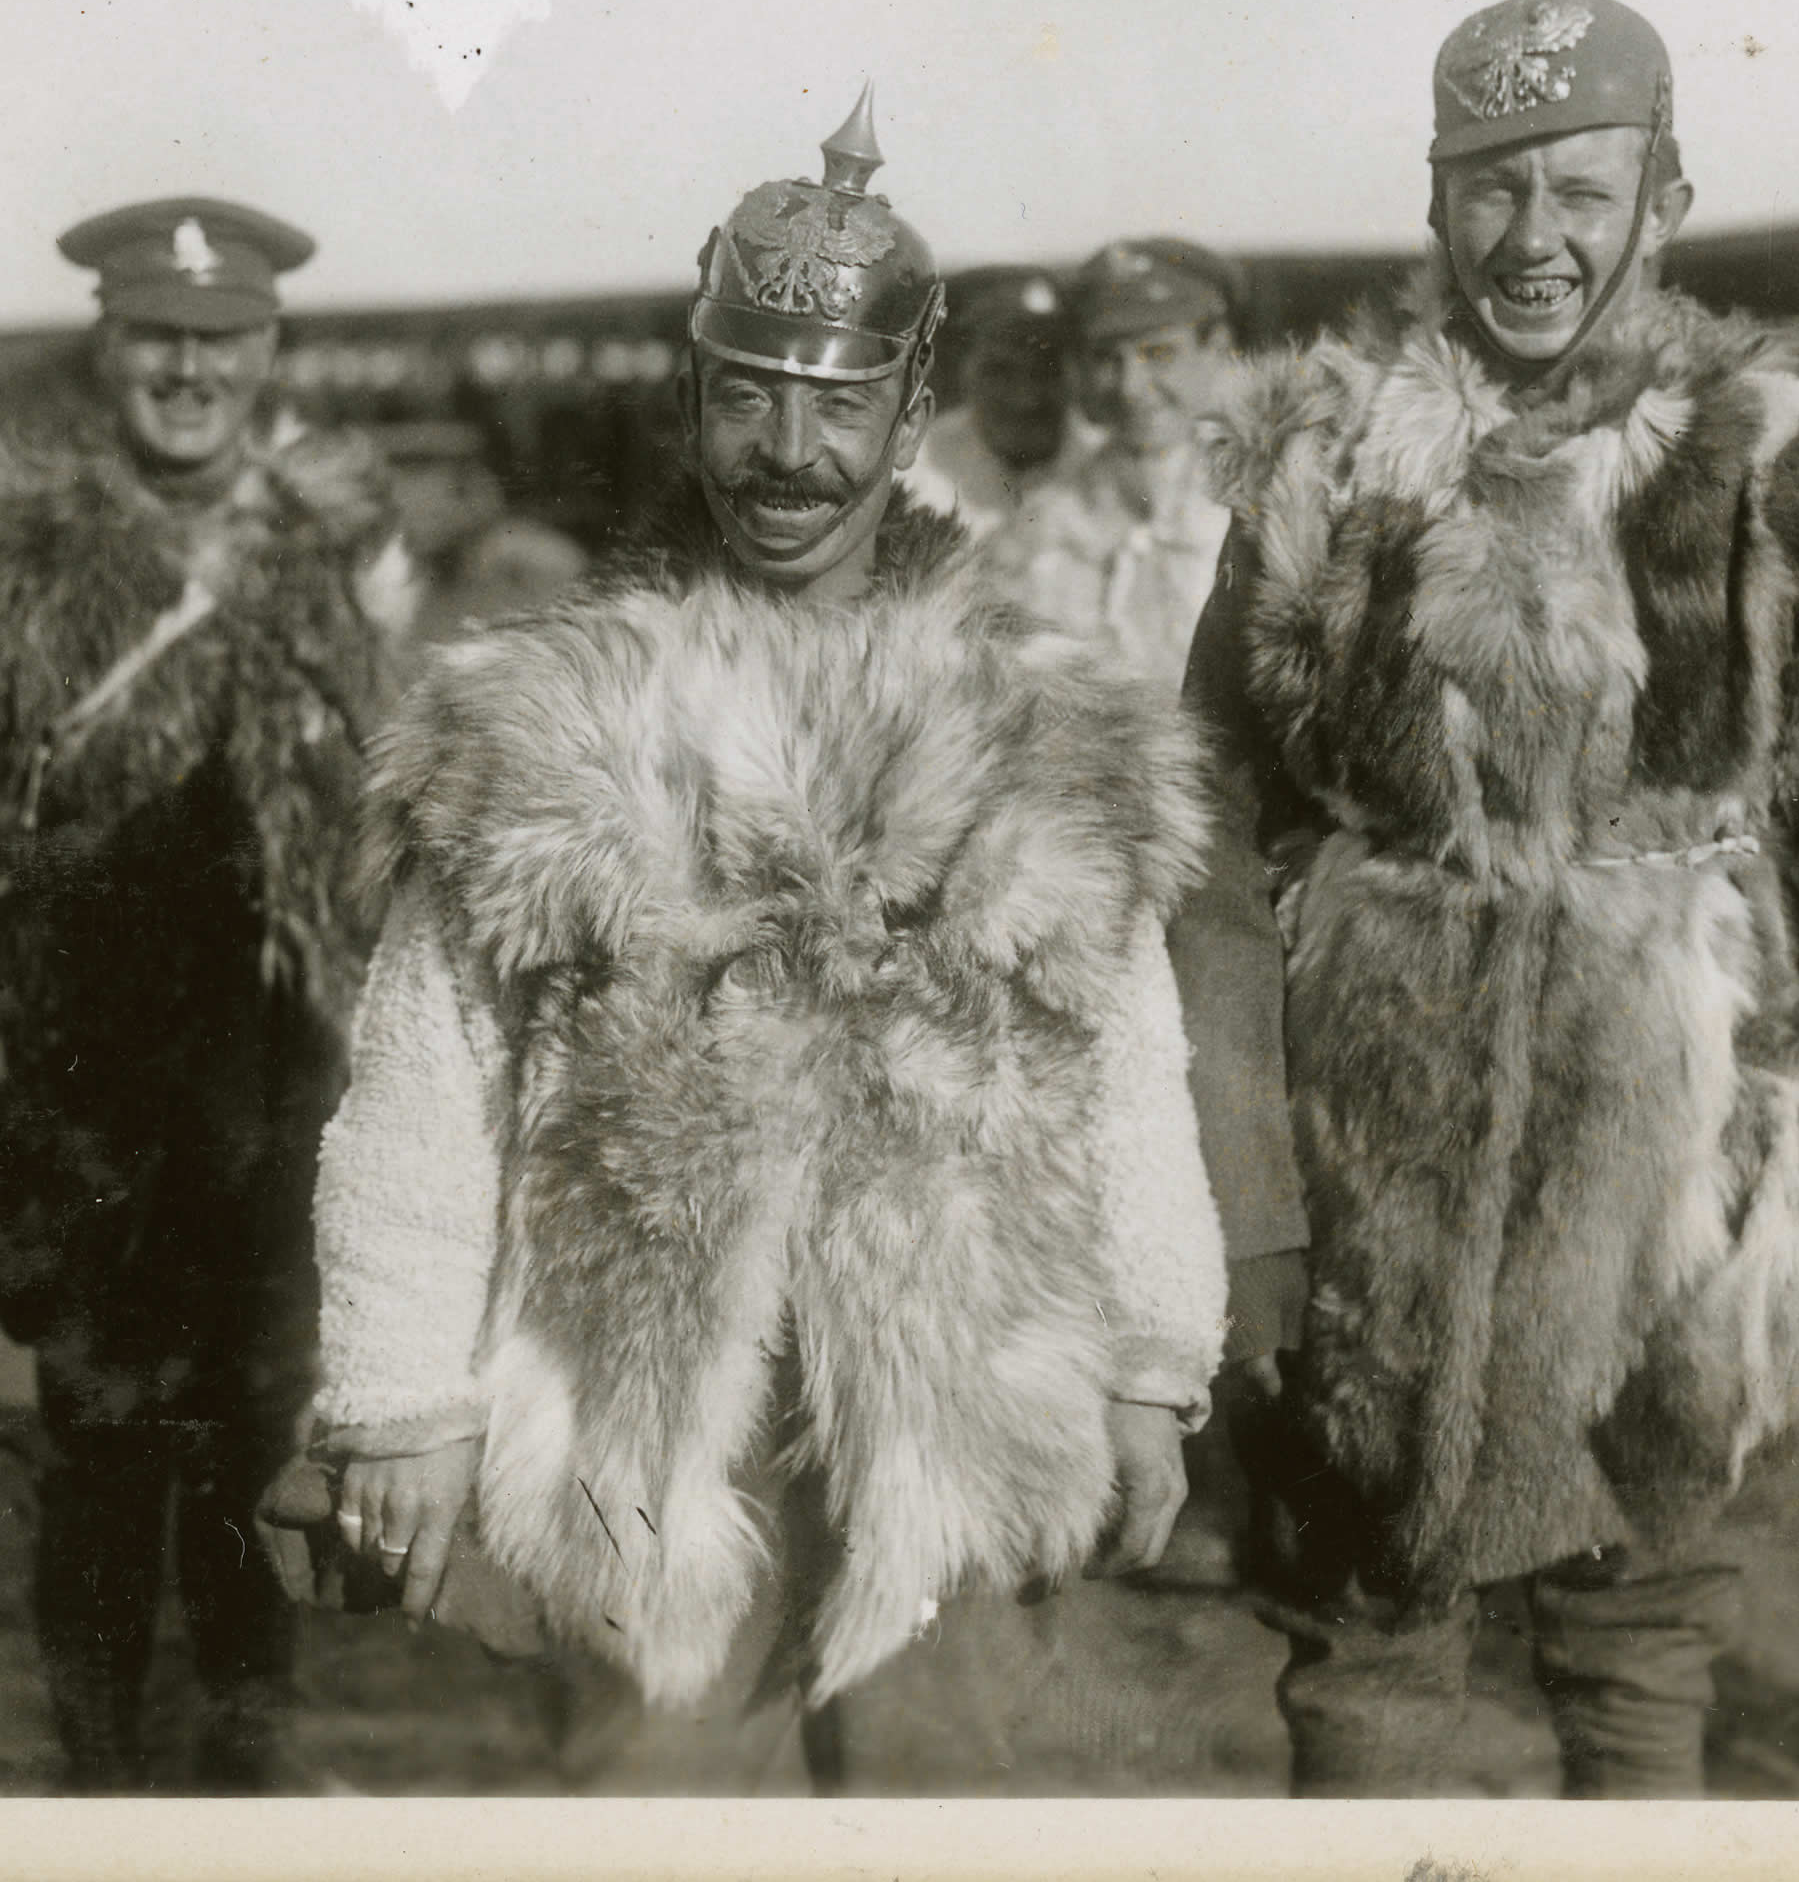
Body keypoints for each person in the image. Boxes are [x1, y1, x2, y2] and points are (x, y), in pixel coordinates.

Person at [263, 98, 1228, 1793]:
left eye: (841, 403)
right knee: (647, 1798)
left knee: (957, 1797)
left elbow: (1127, 1060)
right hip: (637, 1394)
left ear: (909, 411)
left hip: (958, 1377)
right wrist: (399, 1398)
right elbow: (430, 1071)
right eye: (753, 393)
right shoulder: (545, 711)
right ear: (695, 397)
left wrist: (1155, 1355)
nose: (792, 449)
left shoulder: (1040, 711)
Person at [1169, 0, 1799, 1796]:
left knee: (1637, 1676)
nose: (1536, 242)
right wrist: (1252, 1211)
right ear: (1435, 203)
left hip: (1676, 1196)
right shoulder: (1326, 472)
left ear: (1666, 197)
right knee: (1365, 1681)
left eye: (1583, 190)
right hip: (1371, 1196)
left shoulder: (1786, 480)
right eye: (1492, 191)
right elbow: (1206, 853)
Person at [0, 197, 408, 1792]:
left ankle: (245, 1758)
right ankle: (93, 1771)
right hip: (83, 1090)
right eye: (158, 335)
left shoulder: (327, 542)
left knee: (264, 1429)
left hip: (288, 1075)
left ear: (268, 351)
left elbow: (388, 792)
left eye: (222, 340)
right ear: (106, 343)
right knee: (102, 1440)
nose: (189, 369)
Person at [983, 237, 1243, 695]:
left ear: (1217, 348)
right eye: (1107, 359)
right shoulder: (1040, 523)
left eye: (1159, 354)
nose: (1130, 386)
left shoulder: (1251, 502)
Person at [897, 263, 1089, 535]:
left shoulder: (1109, 466)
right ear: (960, 370)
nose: (1026, 397)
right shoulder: (913, 472)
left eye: (1046, 368)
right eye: (999, 371)